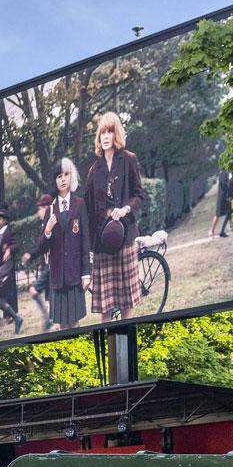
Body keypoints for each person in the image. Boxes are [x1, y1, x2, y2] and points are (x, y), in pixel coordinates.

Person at [84, 112, 144, 321]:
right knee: (105, 307)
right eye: (102, 132)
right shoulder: (94, 170)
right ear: (99, 137)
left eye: (110, 131)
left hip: (125, 237)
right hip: (102, 243)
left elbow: (138, 194)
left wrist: (125, 209)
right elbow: (87, 207)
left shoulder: (128, 160)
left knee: (127, 302)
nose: (106, 136)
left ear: (116, 134)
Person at [38, 158, 91, 331]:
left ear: (71, 177)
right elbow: (42, 247)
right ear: (55, 180)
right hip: (58, 277)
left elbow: (85, 241)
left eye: (66, 175)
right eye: (59, 176)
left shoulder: (80, 204)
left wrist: (86, 273)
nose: (63, 179)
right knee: (62, 326)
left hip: (75, 274)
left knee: (75, 323)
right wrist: (48, 230)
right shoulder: (51, 209)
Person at [210, 167, 233, 237]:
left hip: (227, 196)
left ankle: (231, 227)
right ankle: (212, 230)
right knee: (218, 214)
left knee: (229, 212)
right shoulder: (223, 174)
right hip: (222, 197)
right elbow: (224, 185)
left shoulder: (229, 173)